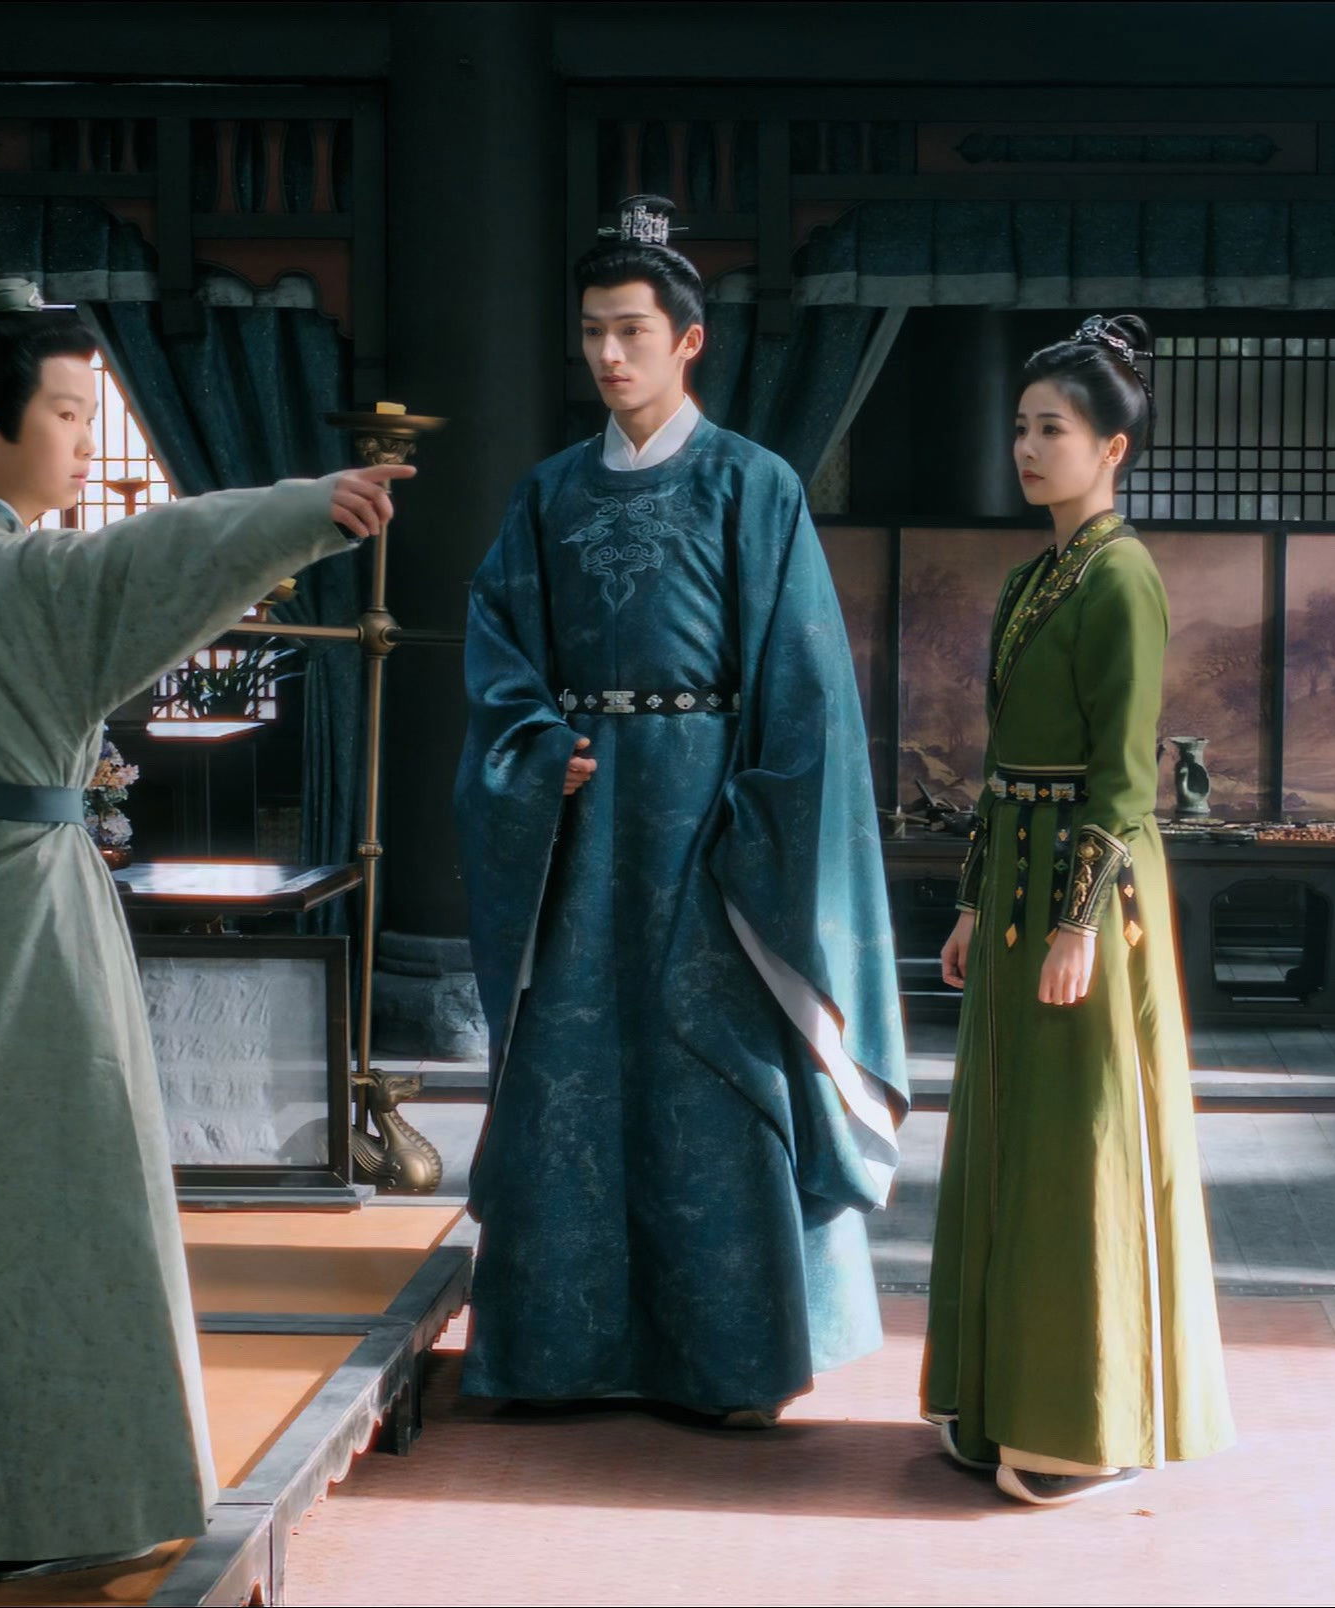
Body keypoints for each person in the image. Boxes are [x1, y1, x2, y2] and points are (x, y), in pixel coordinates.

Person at [0, 272, 409, 1574]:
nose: (85, 442)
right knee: (55, 1200)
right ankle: (41, 1504)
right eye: (70, 416)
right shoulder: (16, 577)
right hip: (25, 917)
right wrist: (310, 508)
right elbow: (162, 552)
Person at [455, 195, 907, 1425]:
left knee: (710, 1072)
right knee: (571, 1070)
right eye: (592, 332)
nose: (608, 355)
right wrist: (536, 744)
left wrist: (753, 831)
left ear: (689, 342)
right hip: (583, 828)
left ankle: (728, 1366)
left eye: (633, 332)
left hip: (709, 835)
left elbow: (804, 688)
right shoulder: (549, 494)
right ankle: (558, 1355)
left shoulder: (753, 485)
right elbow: (497, 646)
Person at [921, 312, 1234, 1507]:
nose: (1028, 447)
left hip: (1084, 888)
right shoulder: (1033, 579)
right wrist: (970, 906)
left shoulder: (1122, 577)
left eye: (1053, 430)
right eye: (1021, 427)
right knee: (1010, 1132)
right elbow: (1003, 766)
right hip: (1016, 873)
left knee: (1080, 1141)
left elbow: (1123, 775)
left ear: (1113, 449)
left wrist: (1075, 923)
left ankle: (1084, 1421)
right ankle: (998, 1398)